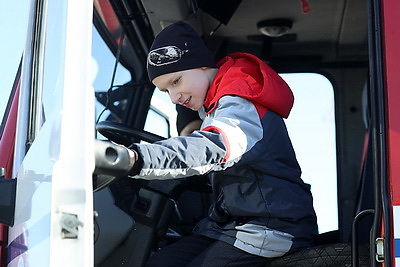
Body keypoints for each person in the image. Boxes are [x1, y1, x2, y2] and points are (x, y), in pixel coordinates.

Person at [125, 21, 318, 266]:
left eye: (176, 82)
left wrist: (135, 158)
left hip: (272, 227)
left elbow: (213, 147)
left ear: (201, 64)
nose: (174, 97)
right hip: (230, 226)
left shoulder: (240, 102)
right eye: (165, 91)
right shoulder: (215, 107)